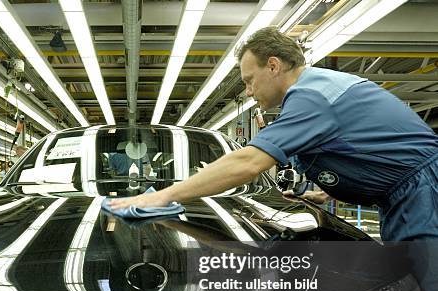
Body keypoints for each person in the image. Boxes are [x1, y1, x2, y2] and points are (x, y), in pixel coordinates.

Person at [109, 26, 438, 242]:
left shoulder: (312, 97)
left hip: (423, 194)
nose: (249, 91)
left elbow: (249, 162)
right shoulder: (318, 89)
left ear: (274, 66)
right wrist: (327, 193)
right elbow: (366, 149)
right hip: (409, 194)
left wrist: (160, 197)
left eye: (250, 80)